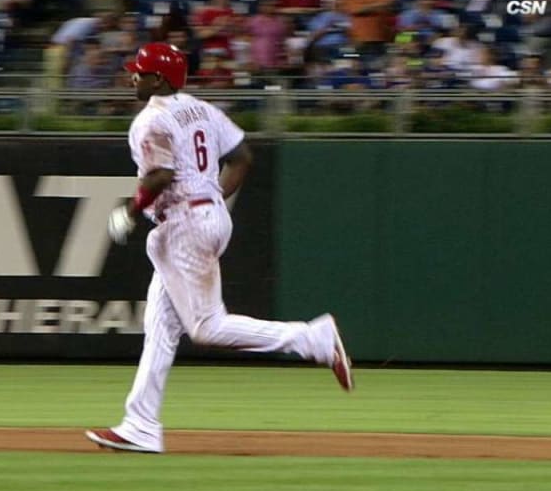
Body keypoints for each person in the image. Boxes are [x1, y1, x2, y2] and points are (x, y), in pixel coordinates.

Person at [84, 42, 354, 454]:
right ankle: (139, 425)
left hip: (184, 225)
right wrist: (211, 199)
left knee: (207, 326)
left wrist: (130, 211)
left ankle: (312, 339)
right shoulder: (201, 108)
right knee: (159, 330)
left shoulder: (151, 119)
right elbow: (242, 157)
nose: (133, 76)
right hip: (204, 216)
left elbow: (158, 176)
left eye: (140, 71)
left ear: (159, 79)